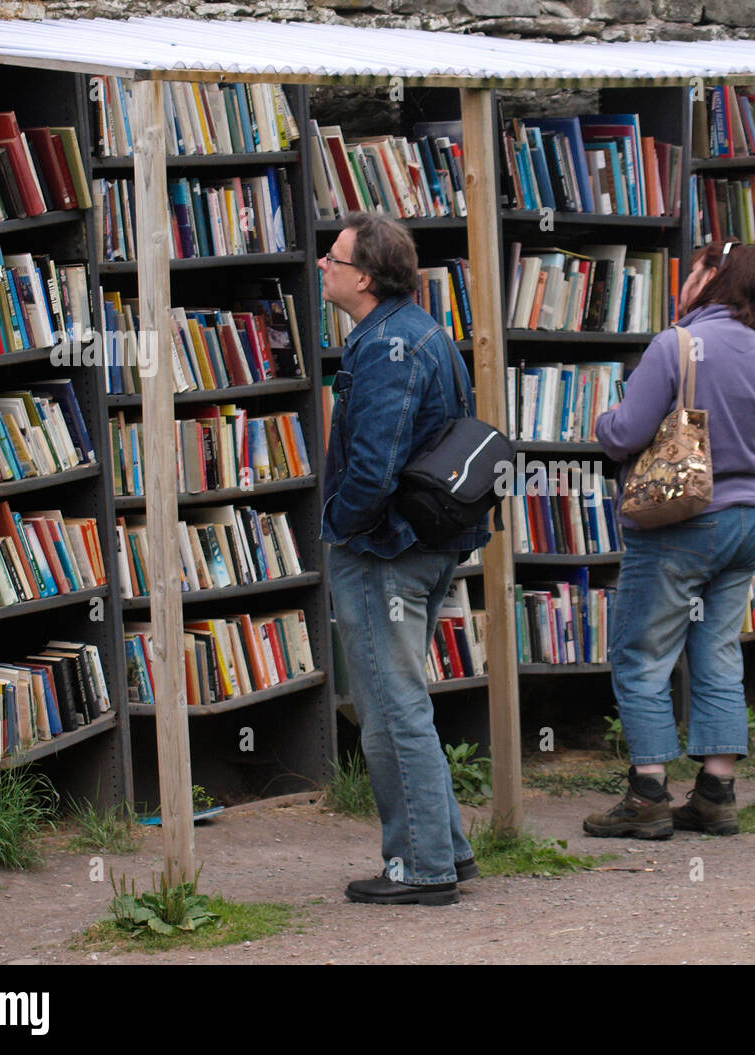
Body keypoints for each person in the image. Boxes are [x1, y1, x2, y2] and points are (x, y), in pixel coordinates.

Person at [582, 241, 755, 840]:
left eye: (692, 270)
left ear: (709, 277)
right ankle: (715, 793)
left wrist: (600, 421)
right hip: (750, 521)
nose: (683, 281)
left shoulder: (675, 344)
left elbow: (625, 434)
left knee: (642, 654)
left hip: (682, 523)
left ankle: (648, 794)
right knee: (718, 650)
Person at [320, 212, 490, 906]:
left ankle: (422, 863)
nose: (323, 267)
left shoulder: (388, 345)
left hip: (384, 549)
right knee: (401, 698)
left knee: (390, 707)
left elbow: (375, 464)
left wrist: (336, 525)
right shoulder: (422, 330)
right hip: (427, 543)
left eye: (333, 259)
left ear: (363, 276)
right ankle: (443, 844)